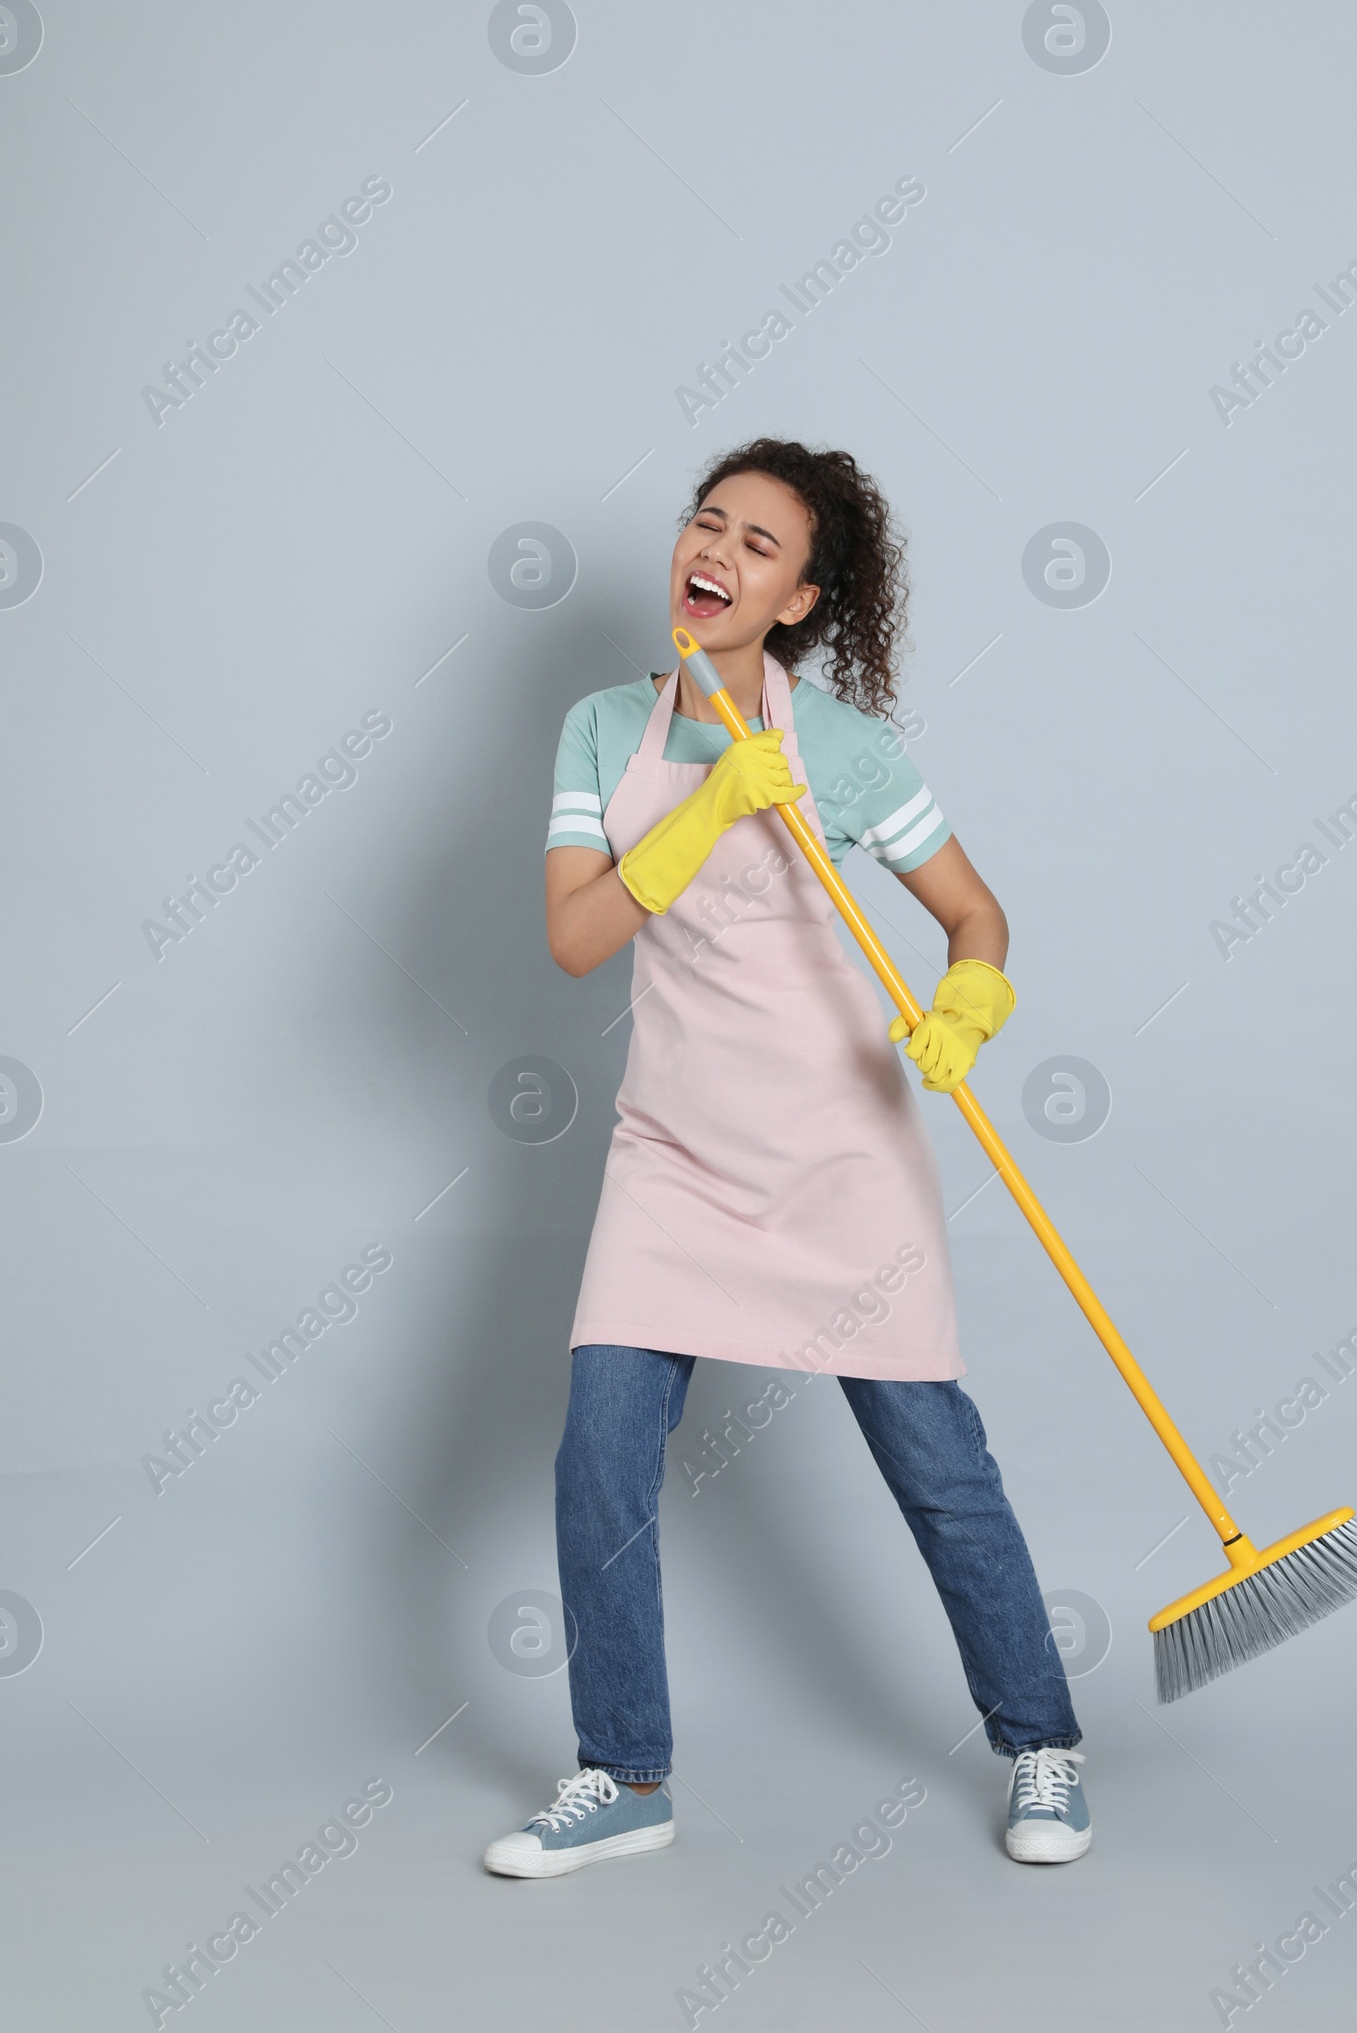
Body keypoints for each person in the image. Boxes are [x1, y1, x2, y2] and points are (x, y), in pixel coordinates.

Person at [484, 438, 1087, 1880]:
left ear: (804, 599)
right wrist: (710, 803)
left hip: (840, 1161)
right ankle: (624, 1772)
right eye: (708, 526)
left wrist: (970, 1002)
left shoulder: (854, 753)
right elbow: (575, 941)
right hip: (672, 1156)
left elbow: (977, 916)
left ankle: (1043, 1746)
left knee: (940, 1471)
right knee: (599, 1460)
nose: (719, 553)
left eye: (760, 545)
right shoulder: (593, 732)